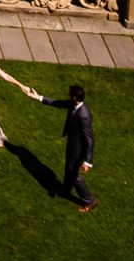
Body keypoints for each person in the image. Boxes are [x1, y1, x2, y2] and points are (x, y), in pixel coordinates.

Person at [27, 81, 97, 209]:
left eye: (70, 94)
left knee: (74, 175)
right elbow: (58, 103)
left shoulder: (84, 116)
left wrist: (88, 162)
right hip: (73, 144)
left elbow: (89, 139)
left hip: (78, 150)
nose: (68, 95)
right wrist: (39, 97)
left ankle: (89, 200)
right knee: (68, 169)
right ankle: (65, 191)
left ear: (75, 98)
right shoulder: (73, 104)